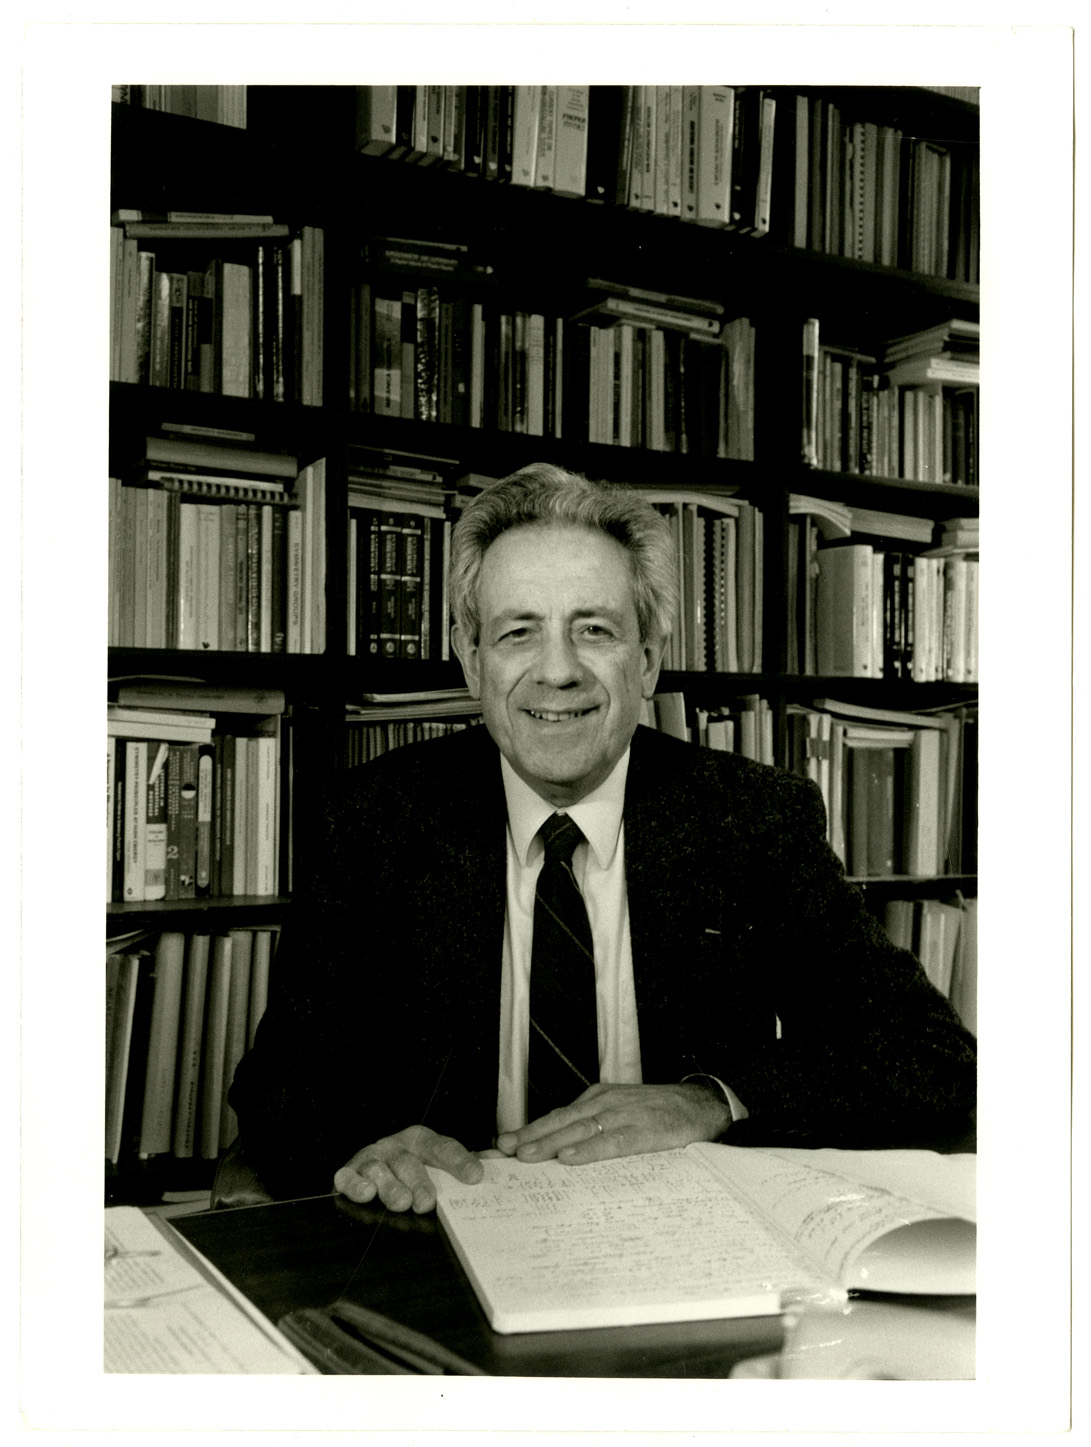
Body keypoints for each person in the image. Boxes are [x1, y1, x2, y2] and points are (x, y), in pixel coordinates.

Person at [229, 463, 976, 1208]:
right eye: (518, 632)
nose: (558, 671)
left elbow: (936, 1059)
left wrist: (712, 1100)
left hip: (686, 1230)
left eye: (594, 630)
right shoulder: (375, 820)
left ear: (646, 659)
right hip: (446, 1227)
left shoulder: (751, 818)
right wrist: (374, 1146)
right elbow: (280, 1089)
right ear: (472, 660)